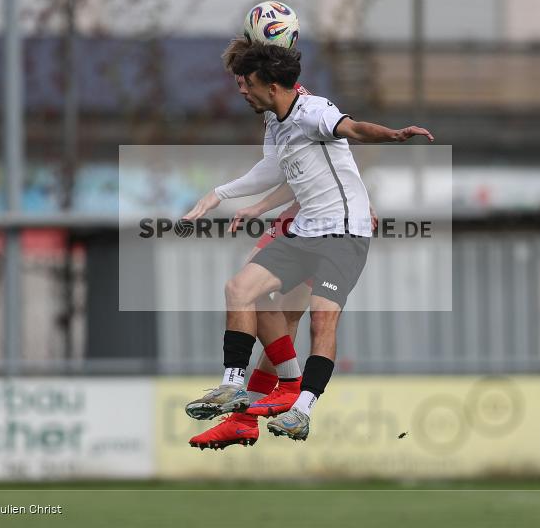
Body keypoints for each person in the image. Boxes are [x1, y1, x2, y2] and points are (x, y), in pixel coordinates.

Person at [185, 43, 432, 441]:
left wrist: (394, 134)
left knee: (320, 318)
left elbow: (352, 128)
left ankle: (301, 407)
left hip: (344, 232)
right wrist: (220, 195)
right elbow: (272, 170)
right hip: (303, 230)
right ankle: (234, 385)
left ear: (273, 85)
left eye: (247, 83)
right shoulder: (276, 122)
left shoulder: (313, 112)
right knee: (241, 290)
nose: (242, 90)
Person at [183, 38, 313, 450]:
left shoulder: (301, 108)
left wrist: (222, 194)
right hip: (308, 217)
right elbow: (285, 169)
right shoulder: (279, 112)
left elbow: (336, 151)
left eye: (244, 81)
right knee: (279, 321)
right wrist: (248, 202)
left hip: (313, 221)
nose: (241, 89)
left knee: (253, 296)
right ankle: (246, 417)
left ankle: (266, 389)